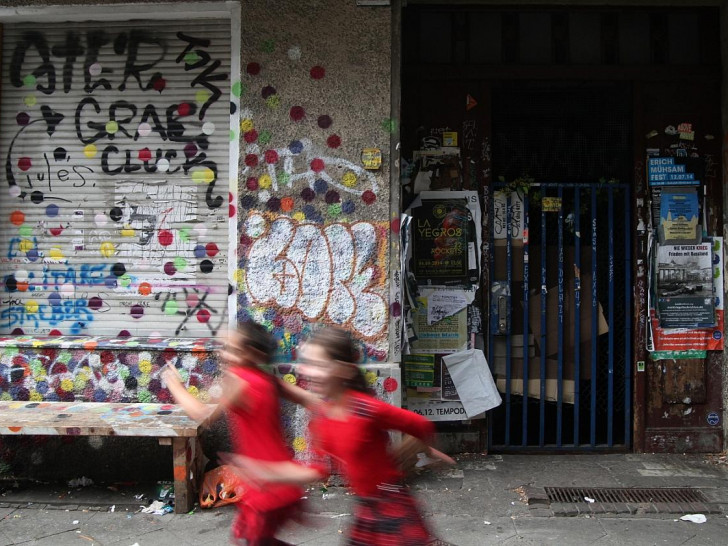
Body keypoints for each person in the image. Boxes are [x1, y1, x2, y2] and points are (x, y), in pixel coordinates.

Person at [223, 326, 453, 546]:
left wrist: (413, 454)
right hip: (367, 508)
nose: (307, 371)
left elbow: (420, 425)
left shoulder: (366, 409)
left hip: (394, 505)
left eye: (318, 365)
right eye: (307, 364)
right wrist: (267, 473)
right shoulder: (320, 419)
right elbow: (316, 470)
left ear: (344, 370)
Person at [162, 322, 311, 546]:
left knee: (251, 540)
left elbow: (201, 413)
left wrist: (173, 385)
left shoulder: (238, 381)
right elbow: (307, 399)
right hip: (282, 479)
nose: (223, 353)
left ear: (252, 353)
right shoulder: (268, 379)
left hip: (266, 485)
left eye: (231, 349)